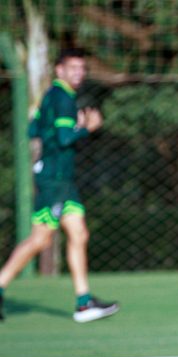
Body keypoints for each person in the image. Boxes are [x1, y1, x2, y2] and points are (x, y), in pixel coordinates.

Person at [0, 48, 118, 323]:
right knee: (40, 239)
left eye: (82, 68)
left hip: (62, 180)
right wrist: (87, 127)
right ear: (59, 70)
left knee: (79, 234)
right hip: (53, 180)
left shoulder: (53, 97)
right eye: (73, 68)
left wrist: (60, 130)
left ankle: (84, 302)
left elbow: (33, 130)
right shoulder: (62, 98)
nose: (79, 73)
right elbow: (65, 138)